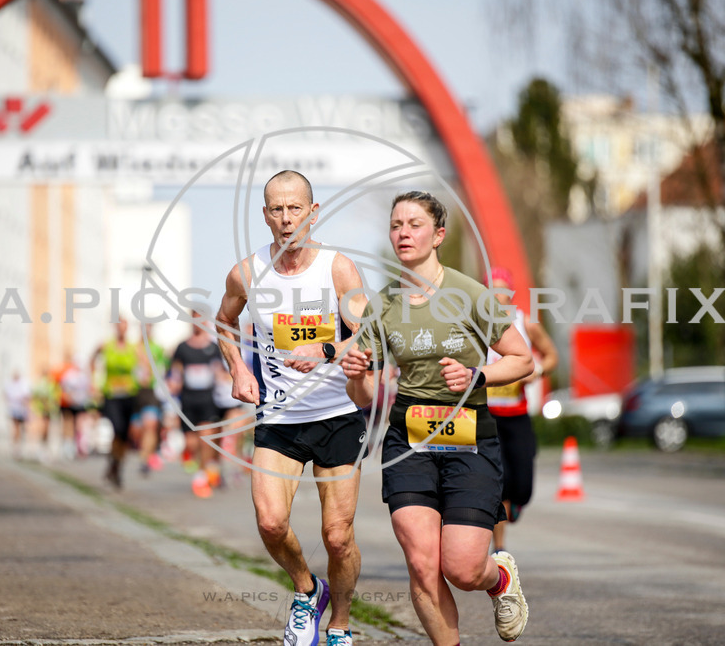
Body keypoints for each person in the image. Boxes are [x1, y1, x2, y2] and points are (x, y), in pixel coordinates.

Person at [341, 191, 534, 644]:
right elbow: (366, 393)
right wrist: (357, 374)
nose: (403, 232)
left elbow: (522, 359)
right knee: (423, 565)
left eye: (414, 224)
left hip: (469, 433)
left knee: (463, 568)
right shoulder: (383, 304)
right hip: (408, 438)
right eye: (396, 225)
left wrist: (476, 374)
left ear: (439, 234)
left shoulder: (469, 294)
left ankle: (499, 578)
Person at [215, 170, 368, 646]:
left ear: (312, 212)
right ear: (265, 216)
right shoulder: (246, 272)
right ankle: (307, 591)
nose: (286, 219)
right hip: (279, 418)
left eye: (295, 208)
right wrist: (240, 370)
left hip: (337, 414)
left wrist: (328, 352)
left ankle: (340, 625)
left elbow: (368, 331)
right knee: (270, 521)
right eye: (276, 210)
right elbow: (224, 322)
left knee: (337, 535)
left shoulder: (337, 269)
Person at [484, 267, 558, 554]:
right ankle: (499, 549)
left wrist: (536, 371)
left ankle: (516, 503)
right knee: (497, 485)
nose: (496, 294)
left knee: (522, 487)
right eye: (491, 288)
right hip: (489, 418)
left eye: (501, 288)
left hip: (517, 415)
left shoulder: (525, 324)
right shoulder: (479, 326)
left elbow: (552, 356)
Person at [168, 310, 225, 497]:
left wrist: (223, 378)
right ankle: (191, 457)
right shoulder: (183, 347)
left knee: (206, 436)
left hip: (208, 399)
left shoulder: (212, 348)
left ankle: (202, 476)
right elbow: (175, 370)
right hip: (188, 400)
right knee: (191, 443)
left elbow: (220, 370)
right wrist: (173, 383)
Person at [91, 317, 140, 488]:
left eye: (124, 325)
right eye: (119, 325)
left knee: (124, 435)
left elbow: (145, 366)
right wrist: (94, 382)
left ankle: (116, 466)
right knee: (117, 428)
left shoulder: (133, 348)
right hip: (111, 394)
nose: (121, 328)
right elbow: (92, 360)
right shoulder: (106, 345)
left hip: (129, 394)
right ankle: (114, 462)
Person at [134, 323, 168, 473]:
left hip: (151, 393)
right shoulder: (132, 348)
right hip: (133, 392)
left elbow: (165, 369)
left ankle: (144, 459)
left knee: (150, 425)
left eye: (148, 327)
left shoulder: (158, 349)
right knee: (136, 430)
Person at [53, 351, 92, 459]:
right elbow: (64, 389)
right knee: (68, 424)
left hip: (80, 404)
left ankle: (77, 445)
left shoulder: (84, 375)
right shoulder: (69, 374)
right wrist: (69, 398)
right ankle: (67, 446)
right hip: (68, 404)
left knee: (79, 425)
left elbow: (88, 390)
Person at [3, 370, 32, 459]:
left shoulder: (23, 384)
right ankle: (16, 447)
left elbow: (27, 397)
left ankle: (17, 446)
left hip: (21, 410)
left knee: (20, 428)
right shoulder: (10, 385)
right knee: (16, 428)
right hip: (15, 409)